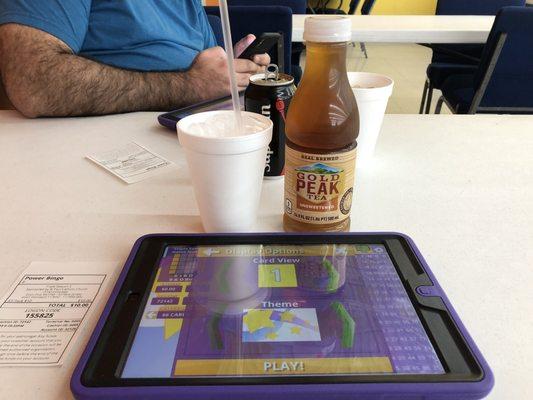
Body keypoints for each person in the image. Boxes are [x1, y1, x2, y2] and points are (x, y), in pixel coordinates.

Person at [0, 1, 270, 118]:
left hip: (178, 149)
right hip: (88, 162)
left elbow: (205, 75)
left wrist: (229, 75)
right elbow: (33, 82)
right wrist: (192, 86)